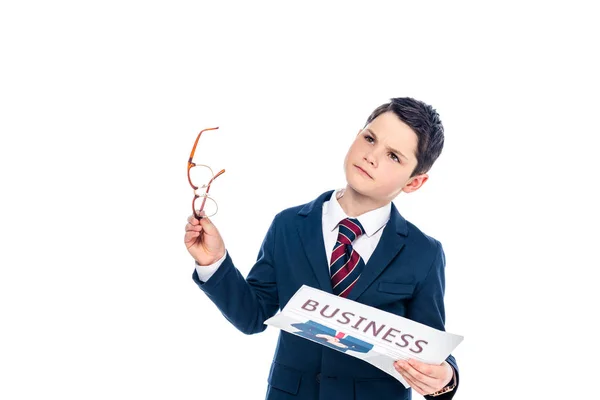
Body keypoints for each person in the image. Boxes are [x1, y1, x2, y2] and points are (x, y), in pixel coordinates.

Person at [184, 97, 459, 399]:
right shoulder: (289, 225)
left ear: (414, 182)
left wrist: (445, 377)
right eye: (370, 139)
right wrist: (214, 263)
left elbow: (429, 344)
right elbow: (253, 316)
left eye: (393, 156)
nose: (372, 157)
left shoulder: (424, 253)